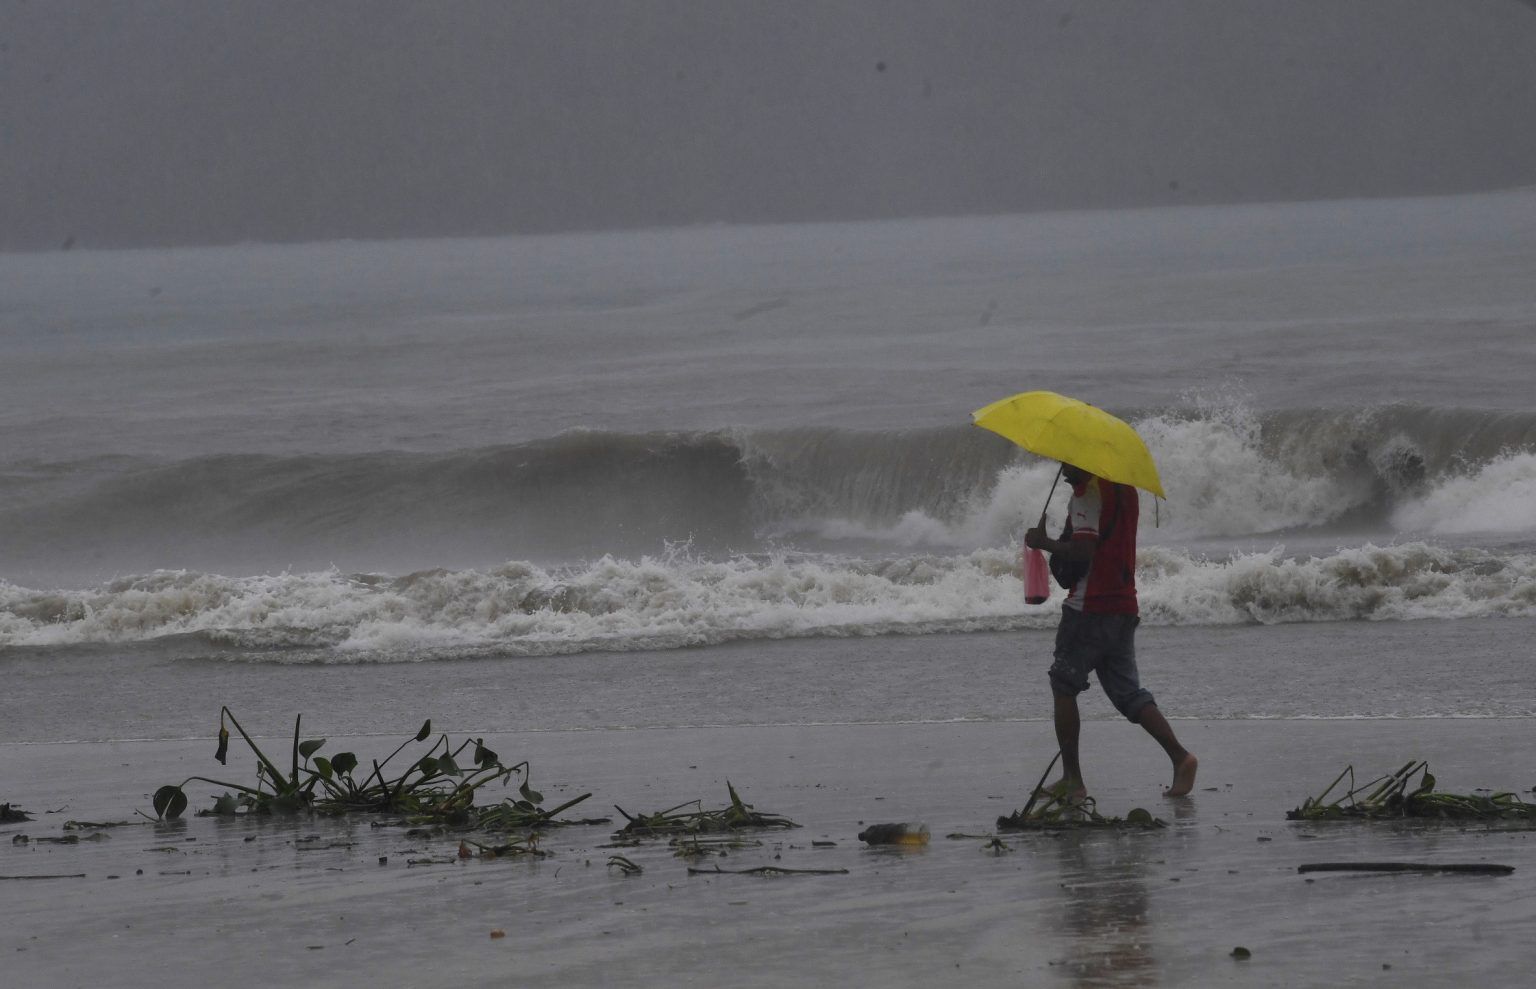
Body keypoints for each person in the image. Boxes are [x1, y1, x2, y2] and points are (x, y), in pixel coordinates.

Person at [1024, 461, 1198, 799]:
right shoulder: (1124, 490)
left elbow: (1084, 550)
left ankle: (1072, 779)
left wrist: (1044, 542)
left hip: (1089, 609)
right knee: (1128, 693)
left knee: (1063, 685)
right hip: (1123, 606)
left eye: (1068, 463)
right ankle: (1181, 757)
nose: (1064, 472)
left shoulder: (1087, 493)